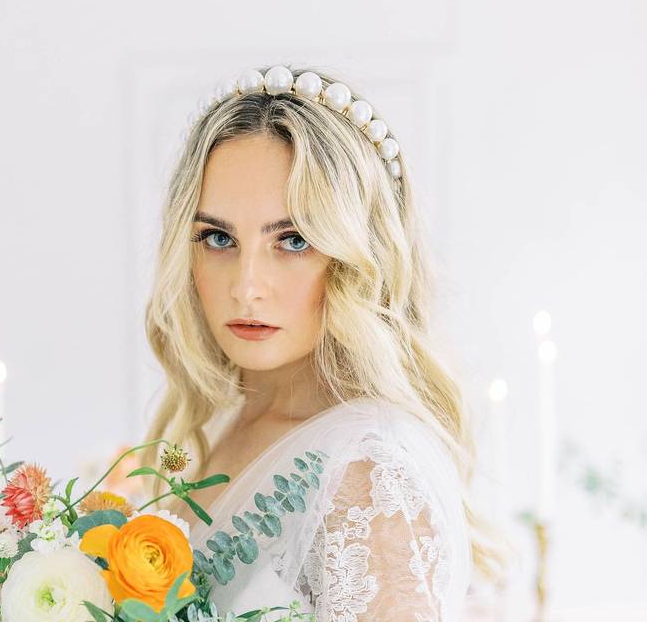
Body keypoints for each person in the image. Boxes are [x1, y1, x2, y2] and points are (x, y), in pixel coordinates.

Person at [139, 65, 512, 620]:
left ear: (358, 256)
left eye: (293, 240)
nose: (245, 287)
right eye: (217, 238)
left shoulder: (369, 473)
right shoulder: (220, 422)